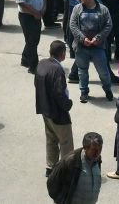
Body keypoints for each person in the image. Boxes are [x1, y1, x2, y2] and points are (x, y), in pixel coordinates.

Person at [69, 0, 114, 103]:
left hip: (98, 47)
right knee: (82, 71)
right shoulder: (77, 9)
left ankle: (108, 89)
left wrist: (98, 38)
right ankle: (84, 92)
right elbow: (72, 25)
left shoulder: (103, 9)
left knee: (103, 72)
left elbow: (108, 25)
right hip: (81, 47)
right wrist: (83, 39)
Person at [36, 40, 75, 175]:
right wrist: (67, 105)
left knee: (51, 139)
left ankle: (50, 167)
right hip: (58, 113)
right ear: (63, 54)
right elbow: (59, 93)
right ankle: (65, 171)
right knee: (66, 142)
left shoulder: (42, 64)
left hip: (45, 110)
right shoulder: (57, 70)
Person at [47, 131, 104, 204]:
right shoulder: (70, 161)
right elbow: (51, 183)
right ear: (85, 148)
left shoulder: (97, 159)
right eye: (94, 150)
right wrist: (61, 201)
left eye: (100, 149)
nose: (97, 153)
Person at [16, 0, 46, 74]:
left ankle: (25, 59)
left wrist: (43, 8)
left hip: (38, 14)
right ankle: (34, 67)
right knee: (32, 42)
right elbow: (21, 2)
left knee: (34, 39)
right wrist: (35, 13)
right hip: (26, 16)